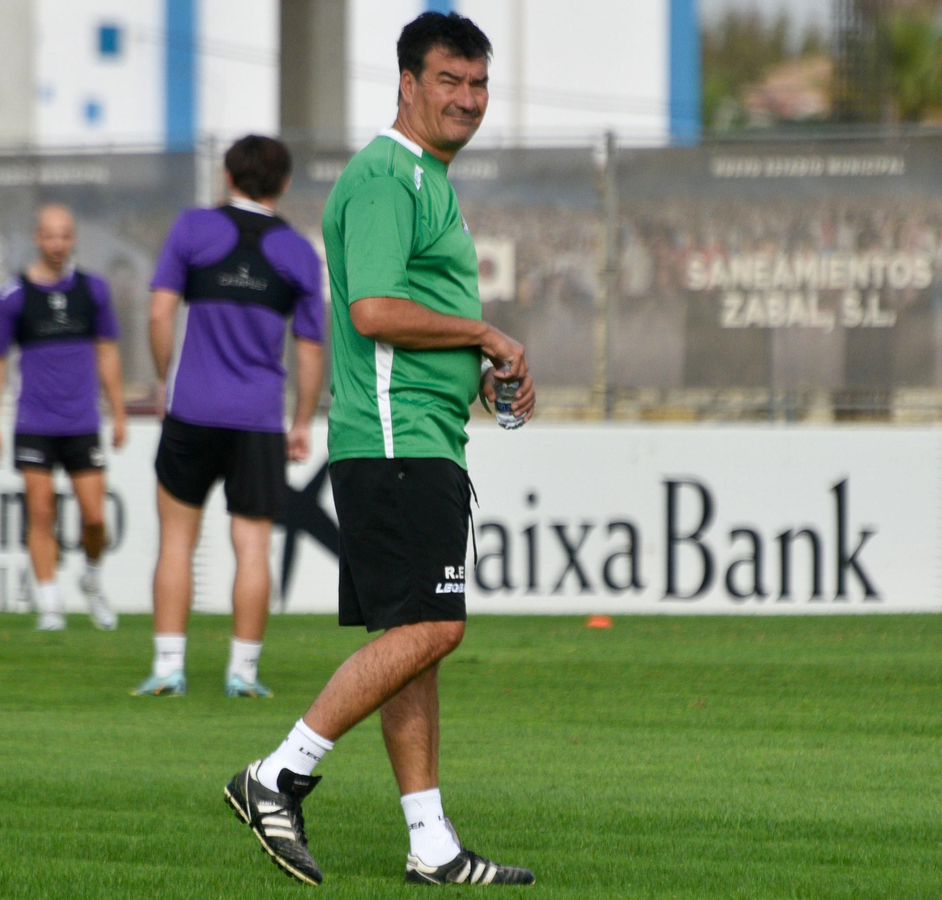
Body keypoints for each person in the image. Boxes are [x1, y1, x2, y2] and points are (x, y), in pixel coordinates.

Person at [222, 13, 537, 886]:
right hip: (392, 438)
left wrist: (478, 367)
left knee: (415, 639)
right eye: (449, 81)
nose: (467, 100)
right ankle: (278, 772)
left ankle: (429, 843)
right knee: (437, 625)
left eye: (477, 85)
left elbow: (405, 320)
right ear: (407, 83)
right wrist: (484, 331)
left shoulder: (428, 180)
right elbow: (372, 311)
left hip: (420, 431)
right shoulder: (384, 177)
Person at [134, 135, 325, 697]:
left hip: (191, 411)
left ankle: (169, 665)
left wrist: (166, 378)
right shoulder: (296, 251)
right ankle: (242, 672)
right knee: (252, 545)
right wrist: (303, 420)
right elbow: (311, 348)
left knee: (175, 541)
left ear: (226, 174)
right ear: (285, 184)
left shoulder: (192, 229)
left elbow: (159, 312)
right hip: (259, 419)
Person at [0, 204, 127, 631]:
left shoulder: (94, 290)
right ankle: (49, 604)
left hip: (82, 422)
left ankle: (92, 579)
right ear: (36, 237)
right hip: (35, 423)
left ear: (74, 238)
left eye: (65, 235)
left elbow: (107, 351)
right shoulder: (13, 296)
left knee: (95, 518)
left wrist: (117, 412)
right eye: (50, 235)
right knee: (41, 512)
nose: (58, 244)